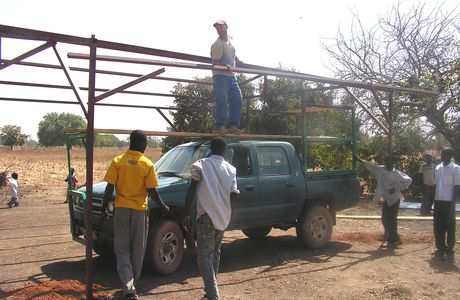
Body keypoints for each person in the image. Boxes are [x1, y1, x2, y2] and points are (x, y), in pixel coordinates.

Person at [100, 130, 170, 300]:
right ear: (142, 145)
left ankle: (128, 285)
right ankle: (132, 284)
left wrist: (104, 209)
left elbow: (109, 188)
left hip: (122, 208)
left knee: (121, 248)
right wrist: (163, 206)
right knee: (138, 249)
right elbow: (152, 191)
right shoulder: (147, 164)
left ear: (130, 142)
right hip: (139, 210)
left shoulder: (118, 161)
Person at [183, 137, 239, 300]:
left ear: (211, 149)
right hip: (223, 217)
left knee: (203, 258)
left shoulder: (201, 164)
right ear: (225, 150)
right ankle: (209, 292)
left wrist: (185, 212)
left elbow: (192, 189)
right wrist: (231, 214)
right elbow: (234, 194)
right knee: (215, 253)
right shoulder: (231, 169)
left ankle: (213, 295)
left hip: (206, 217)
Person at [356, 155, 412, 248]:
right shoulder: (381, 170)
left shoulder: (397, 173)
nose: (387, 163)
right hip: (387, 199)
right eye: (386, 161)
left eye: (389, 161)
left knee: (391, 219)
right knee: (385, 219)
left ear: (392, 162)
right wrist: (359, 160)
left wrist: (396, 188)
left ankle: (394, 239)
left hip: (395, 199)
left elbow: (409, 180)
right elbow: (371, 166)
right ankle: (394, 239)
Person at [211, 20, 243, 135]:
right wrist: (225, 66)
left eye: (221, 27)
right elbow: (214, 61)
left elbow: (232, 52)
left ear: (226, 27)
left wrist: (238, 60)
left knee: (237, 99)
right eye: (217, 28)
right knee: (222, 100)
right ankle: (220, 126)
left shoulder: (230, 40)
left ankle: (233, 126)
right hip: (220, 75)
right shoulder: (217, 44)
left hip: (231, 75)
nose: (219, 30)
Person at [432, 148, 460, 261]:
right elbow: (435, 185)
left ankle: (450, 248)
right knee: (438, 226)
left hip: (448, 201)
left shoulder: (456, 169)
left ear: (450, 155)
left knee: (449, 226)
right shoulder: (438, 168)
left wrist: (453, 201)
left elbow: (457, 186)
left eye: (444, 153)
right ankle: (440, 247)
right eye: (442, 153)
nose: (441, 155)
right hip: (438, 201)